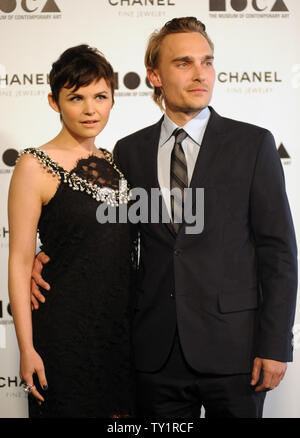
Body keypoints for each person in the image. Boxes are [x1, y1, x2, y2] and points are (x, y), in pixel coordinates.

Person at [30, 18, 298, 418]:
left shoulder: (253, 144)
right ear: (154, 75)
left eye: (207, 62)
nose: (200, 74)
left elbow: (278, 252)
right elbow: (107, 230)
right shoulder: (128, 152)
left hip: (234, 350)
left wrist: (274, 344)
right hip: (154, 354)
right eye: (184, 63)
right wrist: (47, 256)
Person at [8, 44, 135, 418]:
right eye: (76, 97)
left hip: (119, 332)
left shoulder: (117, 162)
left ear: (113, 99)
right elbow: (19, 260)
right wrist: (27, 348)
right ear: (54, 101)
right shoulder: (34, 165)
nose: (90, 109)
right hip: (64, 332)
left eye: (100, 96)